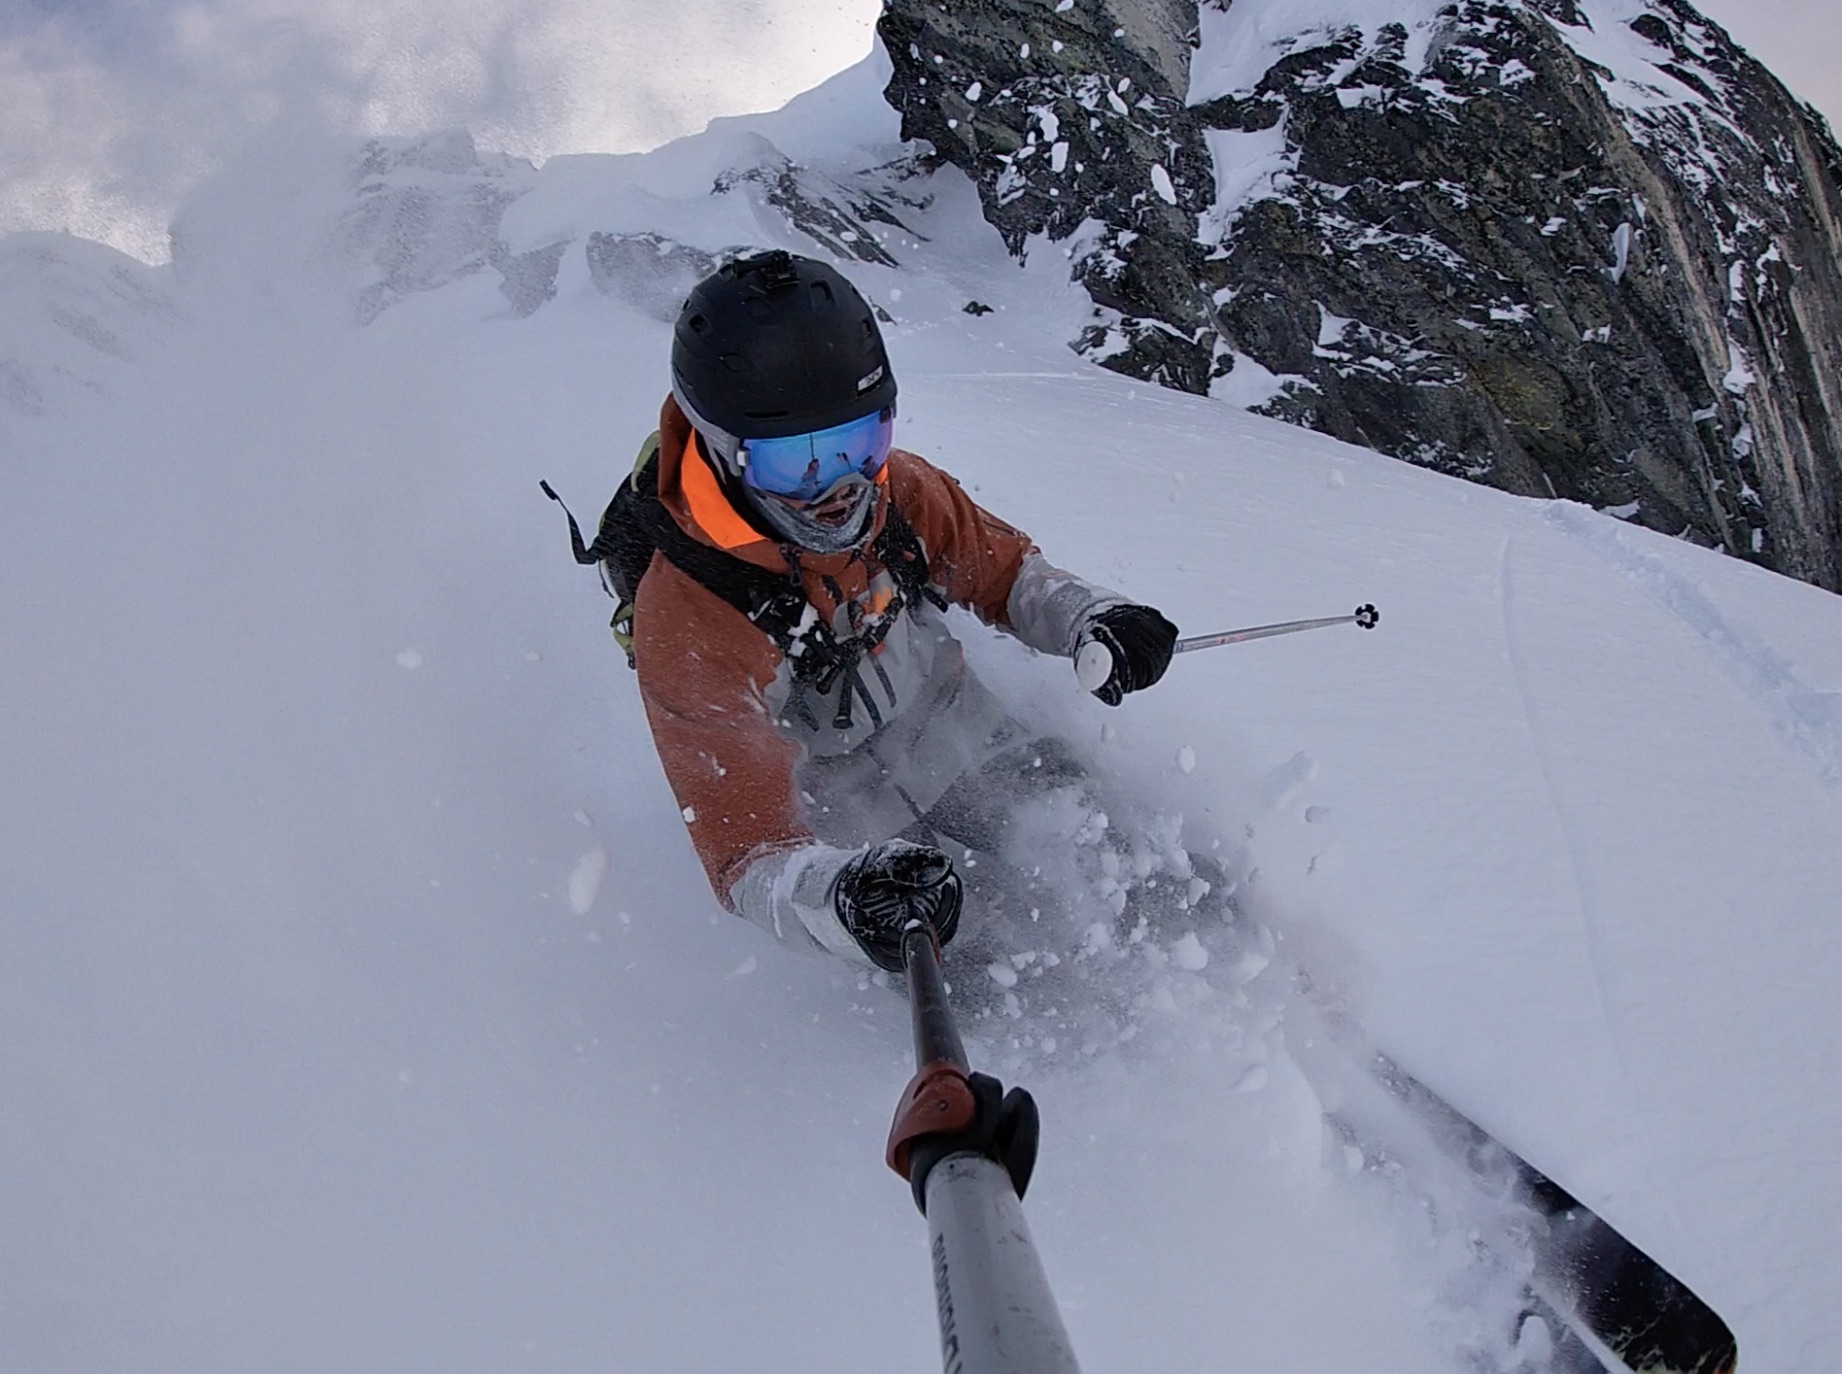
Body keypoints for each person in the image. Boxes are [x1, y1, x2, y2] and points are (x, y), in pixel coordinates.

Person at [620, 249, 1178, 972]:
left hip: (972, 738)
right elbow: (748, 856)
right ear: (725, 453)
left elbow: (1007, 576)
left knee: (1128, 866)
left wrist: (1091, 618)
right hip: (862, 844)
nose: (839, 489)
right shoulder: (690, 617)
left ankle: (1294, 1000)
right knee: (1008, 977)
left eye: (861, 441)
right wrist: (842, 895)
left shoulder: (898, 493)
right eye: (795, 463)